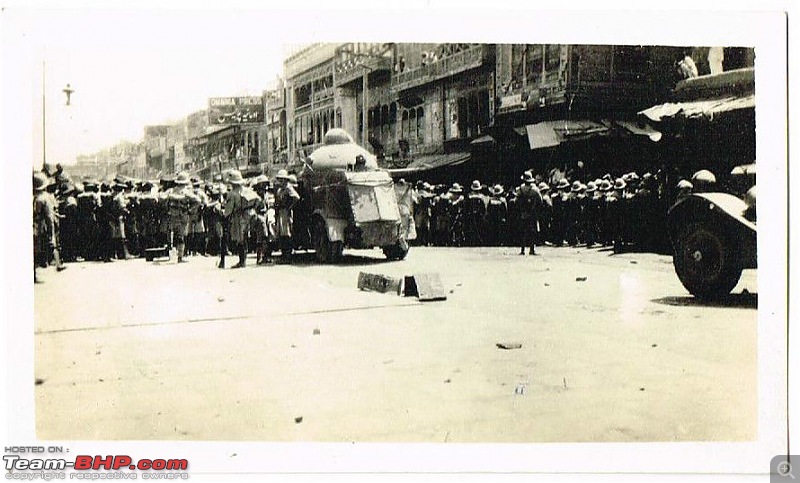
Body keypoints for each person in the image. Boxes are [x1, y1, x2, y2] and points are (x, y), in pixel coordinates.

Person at [33, 172, 65, 283]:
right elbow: (48, 217)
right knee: (41, 247)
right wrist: (51, 232)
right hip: (41, 226)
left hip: (33, 225)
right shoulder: (44, 198)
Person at [223, 170, 251, 268]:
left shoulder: (232, 194)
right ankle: (244, 260)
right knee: (244, 238)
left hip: (237, 217)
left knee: (239, 239)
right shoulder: (245, 190)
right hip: (246, 216)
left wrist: (225, 215)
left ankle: (241, 261)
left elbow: (228, 209)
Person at [273, 170, 301, 262]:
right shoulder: (280, 189)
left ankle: (288, 256)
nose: (280, 181)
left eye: (282, 179)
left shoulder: (288, 188)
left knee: (286, 233)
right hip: (280, 211)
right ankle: (284, 255)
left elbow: (296, 197)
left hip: (286, 211)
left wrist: (290, 207)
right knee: (281, 233)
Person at [515, 170, 543, 255]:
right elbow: (540, 201)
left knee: (523, 232)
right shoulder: (535, 190)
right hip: (532, 213)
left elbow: (516, 201)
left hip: (523, 213)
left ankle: (522, 249)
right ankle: (532, 249)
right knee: (532, 232)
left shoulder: (519, 189)